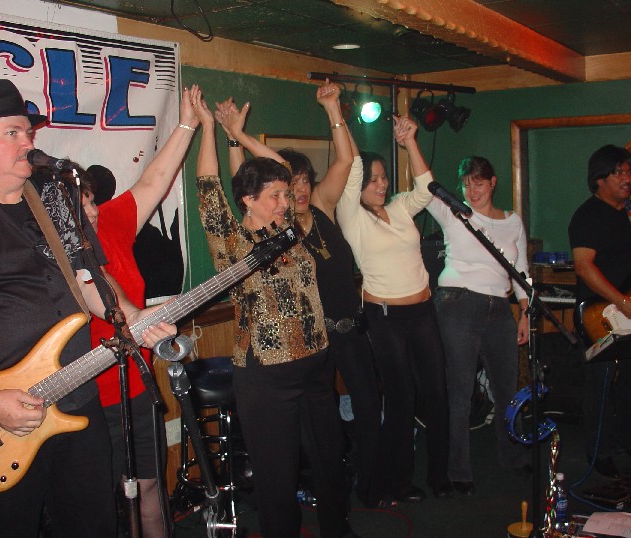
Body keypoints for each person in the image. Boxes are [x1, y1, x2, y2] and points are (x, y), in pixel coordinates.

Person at [0, 78, 176, 537]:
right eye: (12, 133)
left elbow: (88, 277)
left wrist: (131, 315)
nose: (28, 143)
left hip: (75, 397)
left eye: (28, 132)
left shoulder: (50, 195)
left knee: (93, 524)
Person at [191, 89, 358, 538]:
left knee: (329, 458)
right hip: (267, 376)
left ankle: (337, 529)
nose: (286, 201)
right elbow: (208, 187)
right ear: (247, 199)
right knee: (277, 477)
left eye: (287, 194)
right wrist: (209, 127)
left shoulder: (292, 228)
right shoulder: (232, 243)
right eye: (276, 195)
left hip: (316, 365)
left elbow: (281, 167)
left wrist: (240, 134)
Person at [214, 81, 383, 508]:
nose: (299, 190)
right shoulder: (276, 226)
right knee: (312, 433)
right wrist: (234, 139)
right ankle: (309, 494)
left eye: (303, 181)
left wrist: (333, 108)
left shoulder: (322, 206)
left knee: (358, 415)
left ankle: (363, 491)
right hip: (306, 343)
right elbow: (242, 187)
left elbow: (345, 159)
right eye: (292, 184)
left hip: (345, 330)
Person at [77, 84, 200, 538]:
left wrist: (186, 123)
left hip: (136, 384)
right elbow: (99, 294)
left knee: (149, 488)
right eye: (80, 205)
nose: (91, 211)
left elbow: (154, 180)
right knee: (96, 504)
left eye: (91, 200)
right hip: (85, 400)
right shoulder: (55, 248)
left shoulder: (109, 222)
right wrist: (142, 317)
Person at [336, 116, 453, 502]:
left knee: (437, 393)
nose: (381, 184)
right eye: (373, 179)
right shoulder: (351, 216)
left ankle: (440, 476)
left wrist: (411, 141)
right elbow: (352, 167)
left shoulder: (401, 207)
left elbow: (425, 186)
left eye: (384, 177)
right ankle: (398, 483)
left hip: (422, 311)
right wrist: (338, 116)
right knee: (401, 399)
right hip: (385, 317)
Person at [423, 152, 531, 495]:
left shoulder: (513, 221)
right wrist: (410, 142)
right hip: (458, 303)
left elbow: (521, 270)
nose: (472, 191)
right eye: (467, 184)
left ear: (493, 183)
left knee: (507, 387)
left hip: (500, 308)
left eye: (479, 183)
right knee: (460, 391)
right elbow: (424, 183)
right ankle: (458, 471)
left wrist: (525, 311)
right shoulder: (453, 213)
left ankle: (513, 456)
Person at [568, 144, 631, 479]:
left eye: (629, 171)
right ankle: (598, 450)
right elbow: (584, 266)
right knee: (600, 384)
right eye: (619, 172)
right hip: (600, 314)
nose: (627, 178)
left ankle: (623, 441)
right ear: (600, 179)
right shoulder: (587, 215)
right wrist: (620, 301)